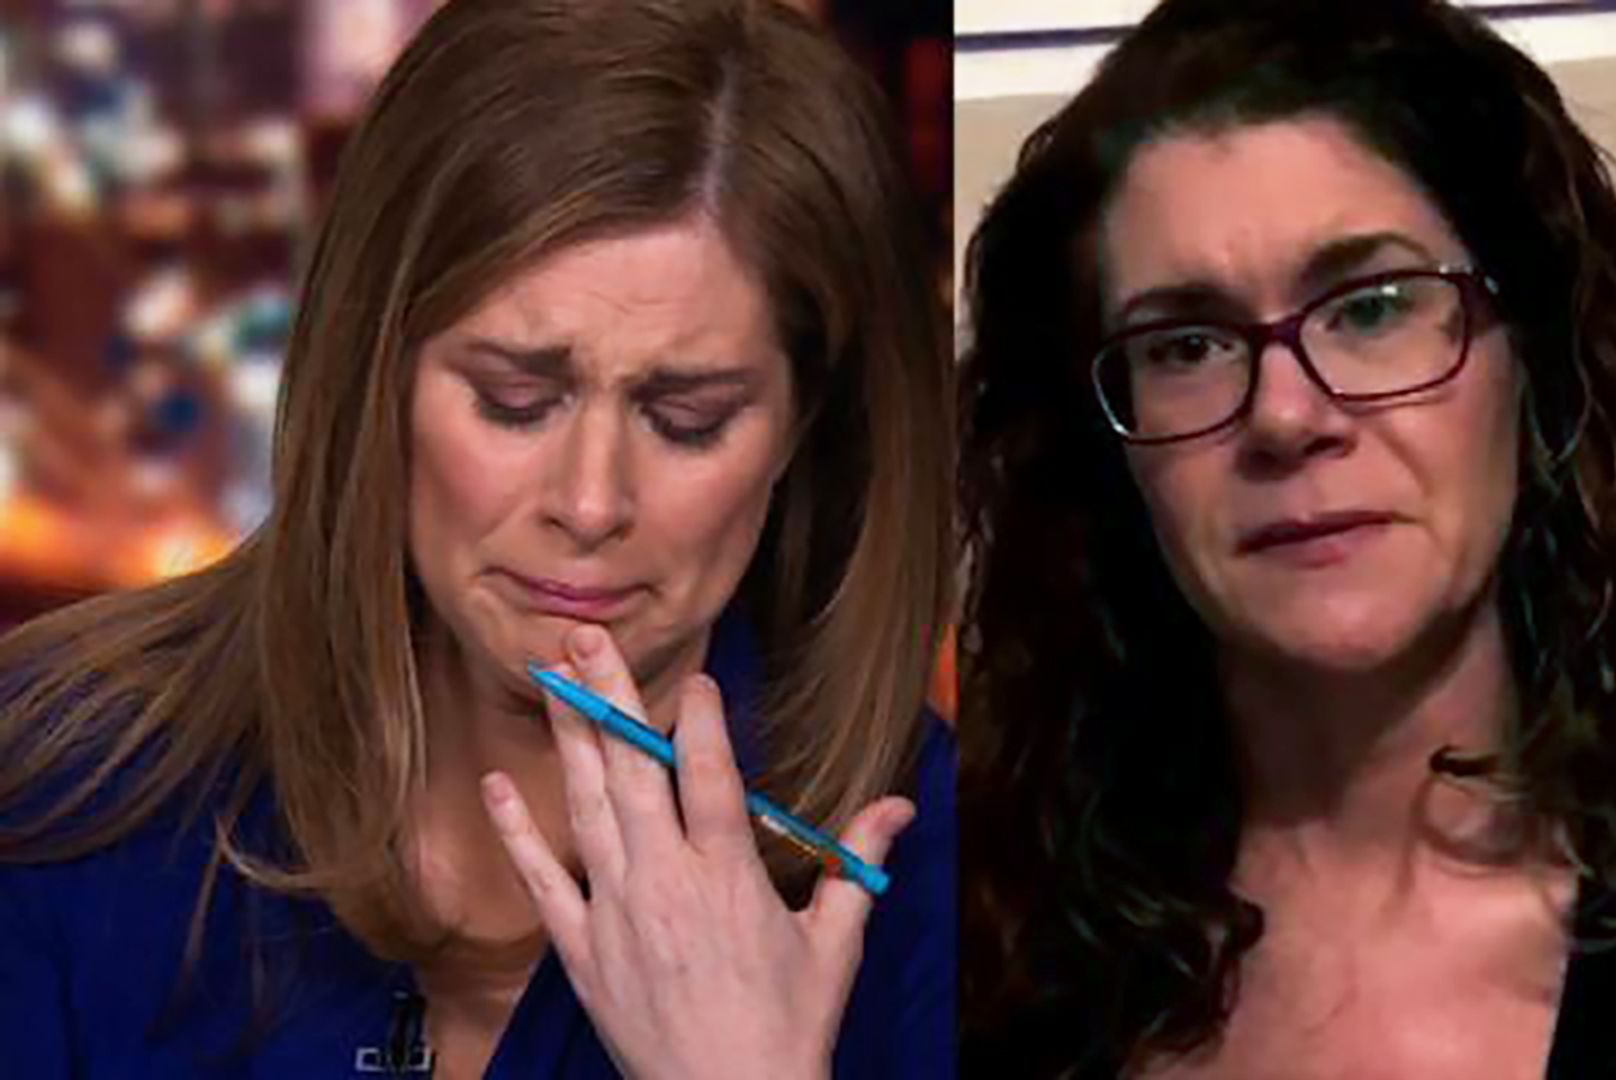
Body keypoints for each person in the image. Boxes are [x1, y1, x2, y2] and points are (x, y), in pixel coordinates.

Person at [955, 0, 1616, 1076]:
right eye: (1186, 344)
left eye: (1371, 307)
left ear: (1535, 361)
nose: (1285, 416)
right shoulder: (983, 955)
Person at [0, 1, 954, 1077]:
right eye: (513, 401)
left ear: (801, 425)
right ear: (378, 376)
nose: (589, 503)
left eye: (687, 419)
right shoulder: (58, 783)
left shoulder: (941, 871)